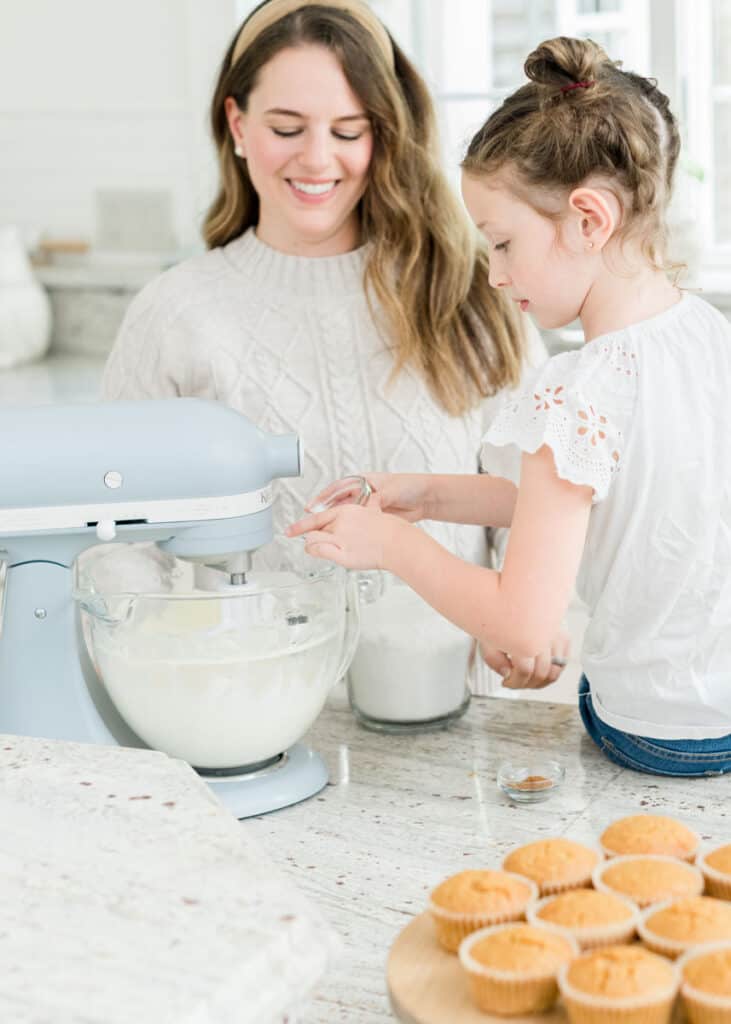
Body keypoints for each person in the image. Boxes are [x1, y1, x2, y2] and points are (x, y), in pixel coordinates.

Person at [288, 35, 731, 775]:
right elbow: (599, 497)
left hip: (659, 730)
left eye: (501, 243)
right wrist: (422, 494)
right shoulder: (702, 331)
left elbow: (522, 627)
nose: (493, 275)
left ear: (589, 220)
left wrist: (390, 546)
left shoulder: (579, 386)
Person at [100, 0, 547, 696]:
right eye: (287, 128)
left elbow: (533, 494)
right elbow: (120, 541)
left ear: (384, 136)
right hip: (249, 711)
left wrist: (522, 617)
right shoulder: (174, 314)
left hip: (455, 709)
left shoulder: (474, 288)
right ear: (237, 125)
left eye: (347, 131)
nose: (316, 159)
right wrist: (157, 668)